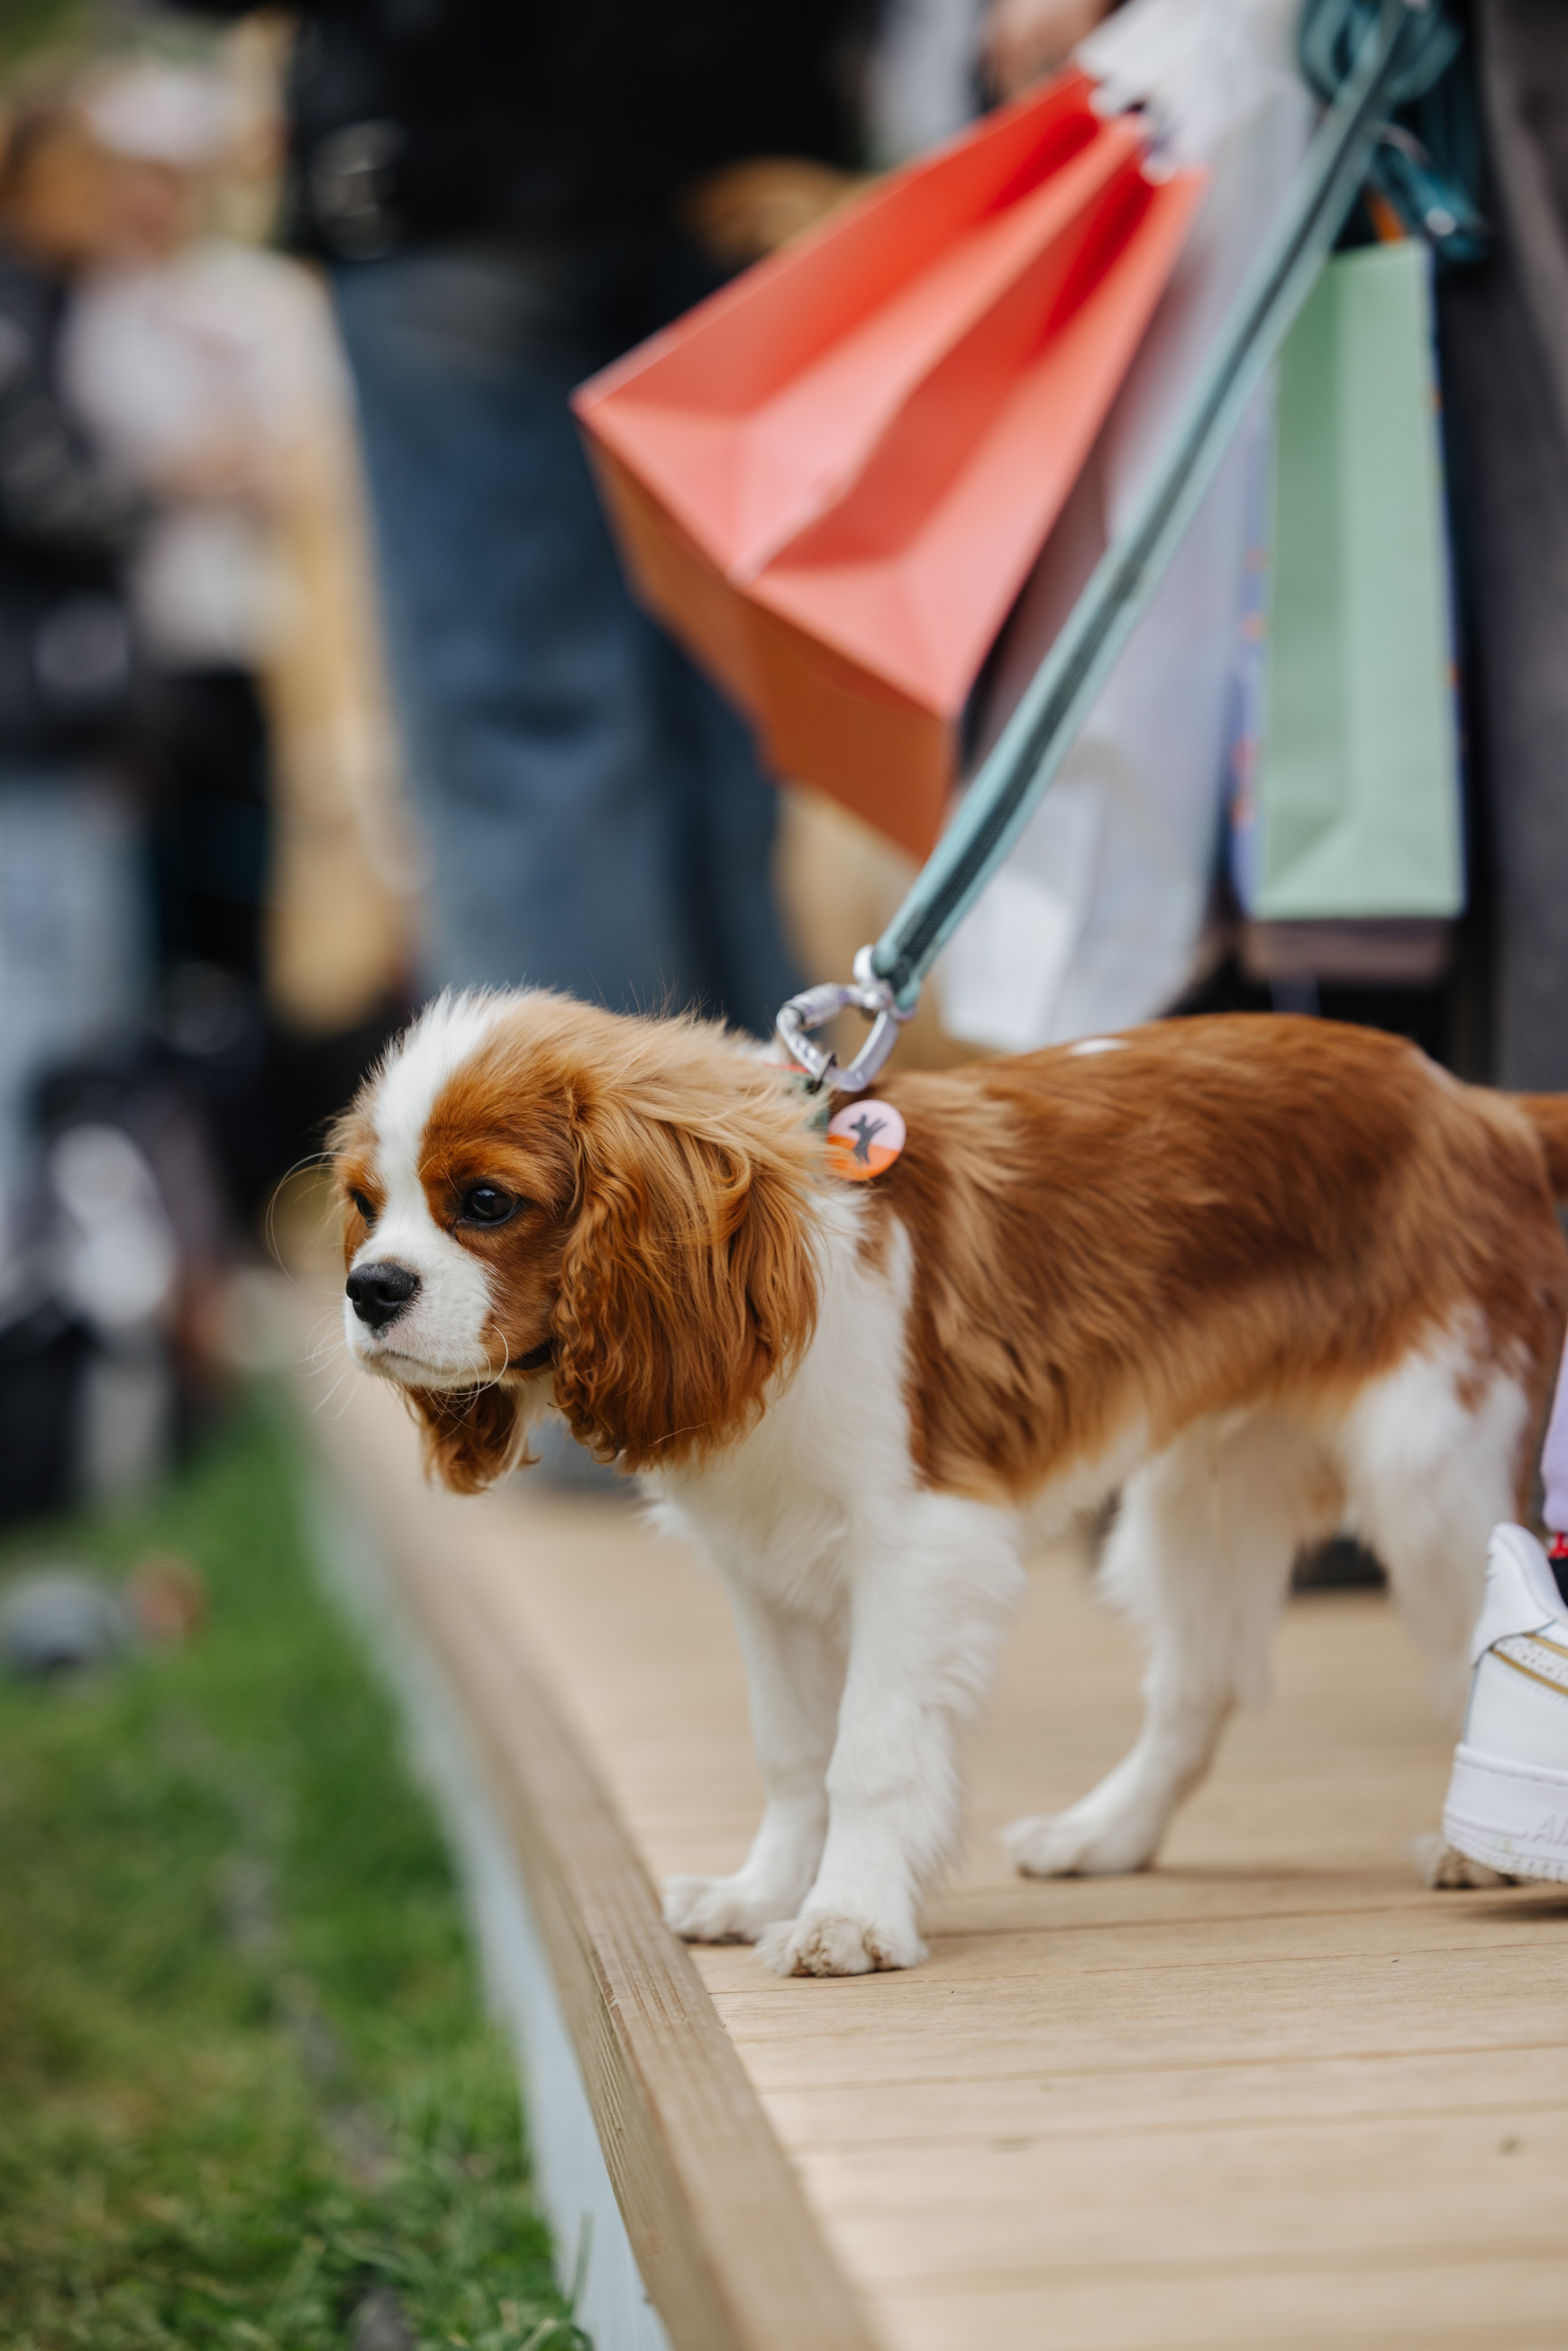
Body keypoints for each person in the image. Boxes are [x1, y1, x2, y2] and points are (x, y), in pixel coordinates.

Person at [189, 1, 879, 1038]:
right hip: (738, 124)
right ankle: (773, 1158)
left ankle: (585, 1179)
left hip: (444, 143)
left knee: (526, 728)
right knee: (730, 706)